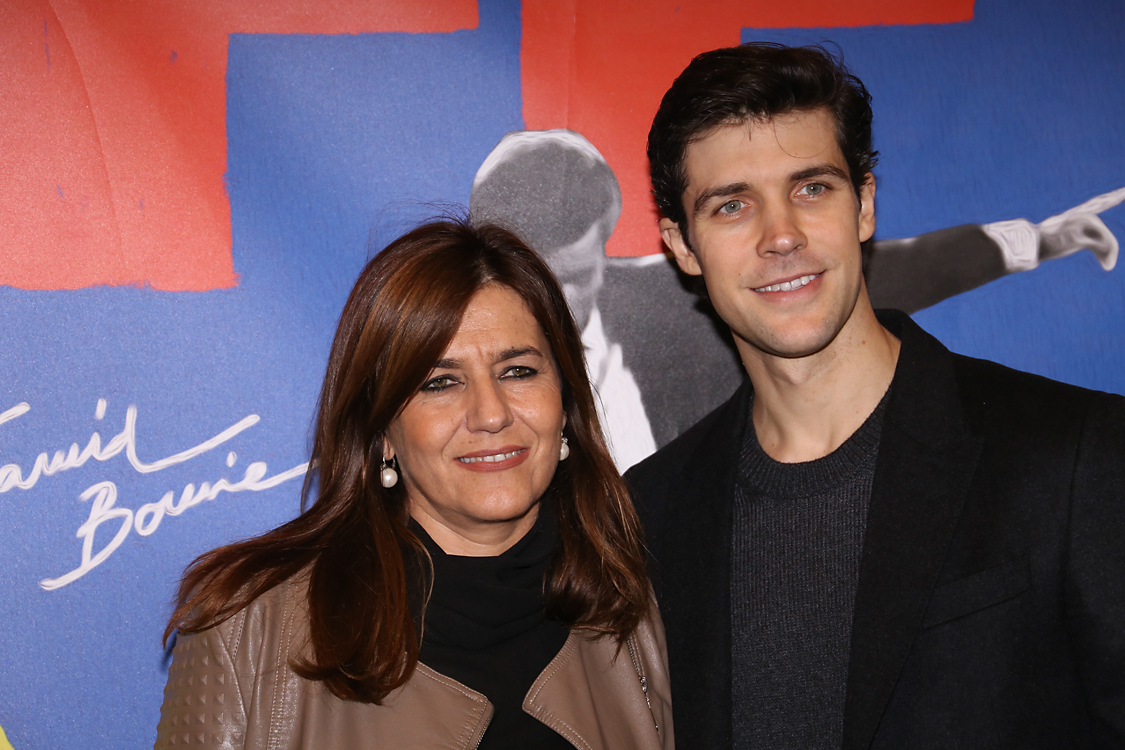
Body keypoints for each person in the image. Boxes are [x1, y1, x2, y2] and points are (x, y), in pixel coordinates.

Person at [627, 42, 1125, 749]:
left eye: (810, 189)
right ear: (680, 246)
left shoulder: (1074, 455)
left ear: (863, 205)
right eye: (732, 206)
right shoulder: (650, 511)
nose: (781, 236)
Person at [154, 219, 673, 749]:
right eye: (439, 383)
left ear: (565, 402)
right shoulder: (249, 630)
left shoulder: (643, 601)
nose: (490, 414)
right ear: (383, 432)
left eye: (517, 371)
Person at [470, 131, 1121, 463]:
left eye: (580, 277)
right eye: (538, 280)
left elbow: (883, 273)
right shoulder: (450, 357)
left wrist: (1033, 241)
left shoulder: (672, 301)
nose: (562, 300)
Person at [471, 130, 657, 470]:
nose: (564, 304)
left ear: (604, 248)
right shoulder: (457, 343)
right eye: (544, 284)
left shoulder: (678, 309)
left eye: (579, 278)